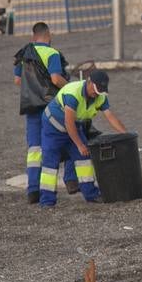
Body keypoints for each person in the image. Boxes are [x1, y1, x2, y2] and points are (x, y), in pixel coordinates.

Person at [37, 70, 126, 208]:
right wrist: (79, 144)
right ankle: (47, 201)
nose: (97, 93)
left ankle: (91, 194)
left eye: (100, 91)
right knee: (50, 164)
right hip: (53, 128)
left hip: (74, 126)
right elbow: (68, 122)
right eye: (96, 89)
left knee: (84, 159)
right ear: (89, 82)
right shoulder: (73, 93)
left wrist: (126, 135)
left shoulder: (100, 96)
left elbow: (110, 117)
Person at [13, 21, 74, 205]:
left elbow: (17, 81)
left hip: (31, 107)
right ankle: (71, 180)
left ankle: (33, 190)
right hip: (51, 106)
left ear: (33, 37)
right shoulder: (52, 53)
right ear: (49, 35)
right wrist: (69, 86)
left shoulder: (24, 54)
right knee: (68, 138)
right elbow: (55, 78)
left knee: (34, 149)